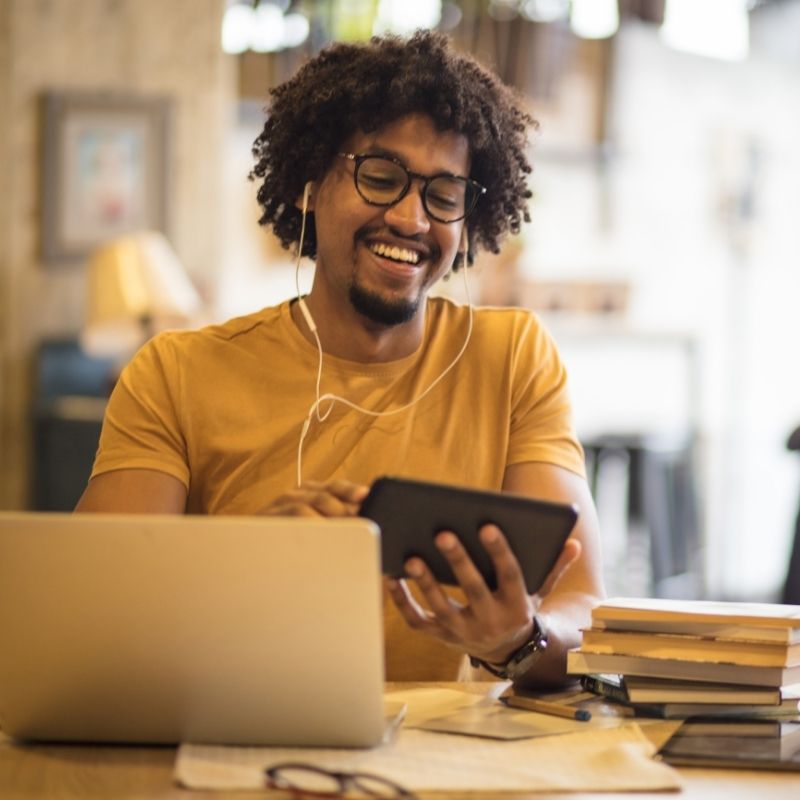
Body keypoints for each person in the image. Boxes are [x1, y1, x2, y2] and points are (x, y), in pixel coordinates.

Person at [76, 31, 604, 688]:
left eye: (444, 195)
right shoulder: (175, 374)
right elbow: (92, 614)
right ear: (308, 184)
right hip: (237, 743)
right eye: (380, 177)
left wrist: (521, 641)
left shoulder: (514, 359)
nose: (412, 219)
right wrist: (238, 562)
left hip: (441, 769)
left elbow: (584, 606)